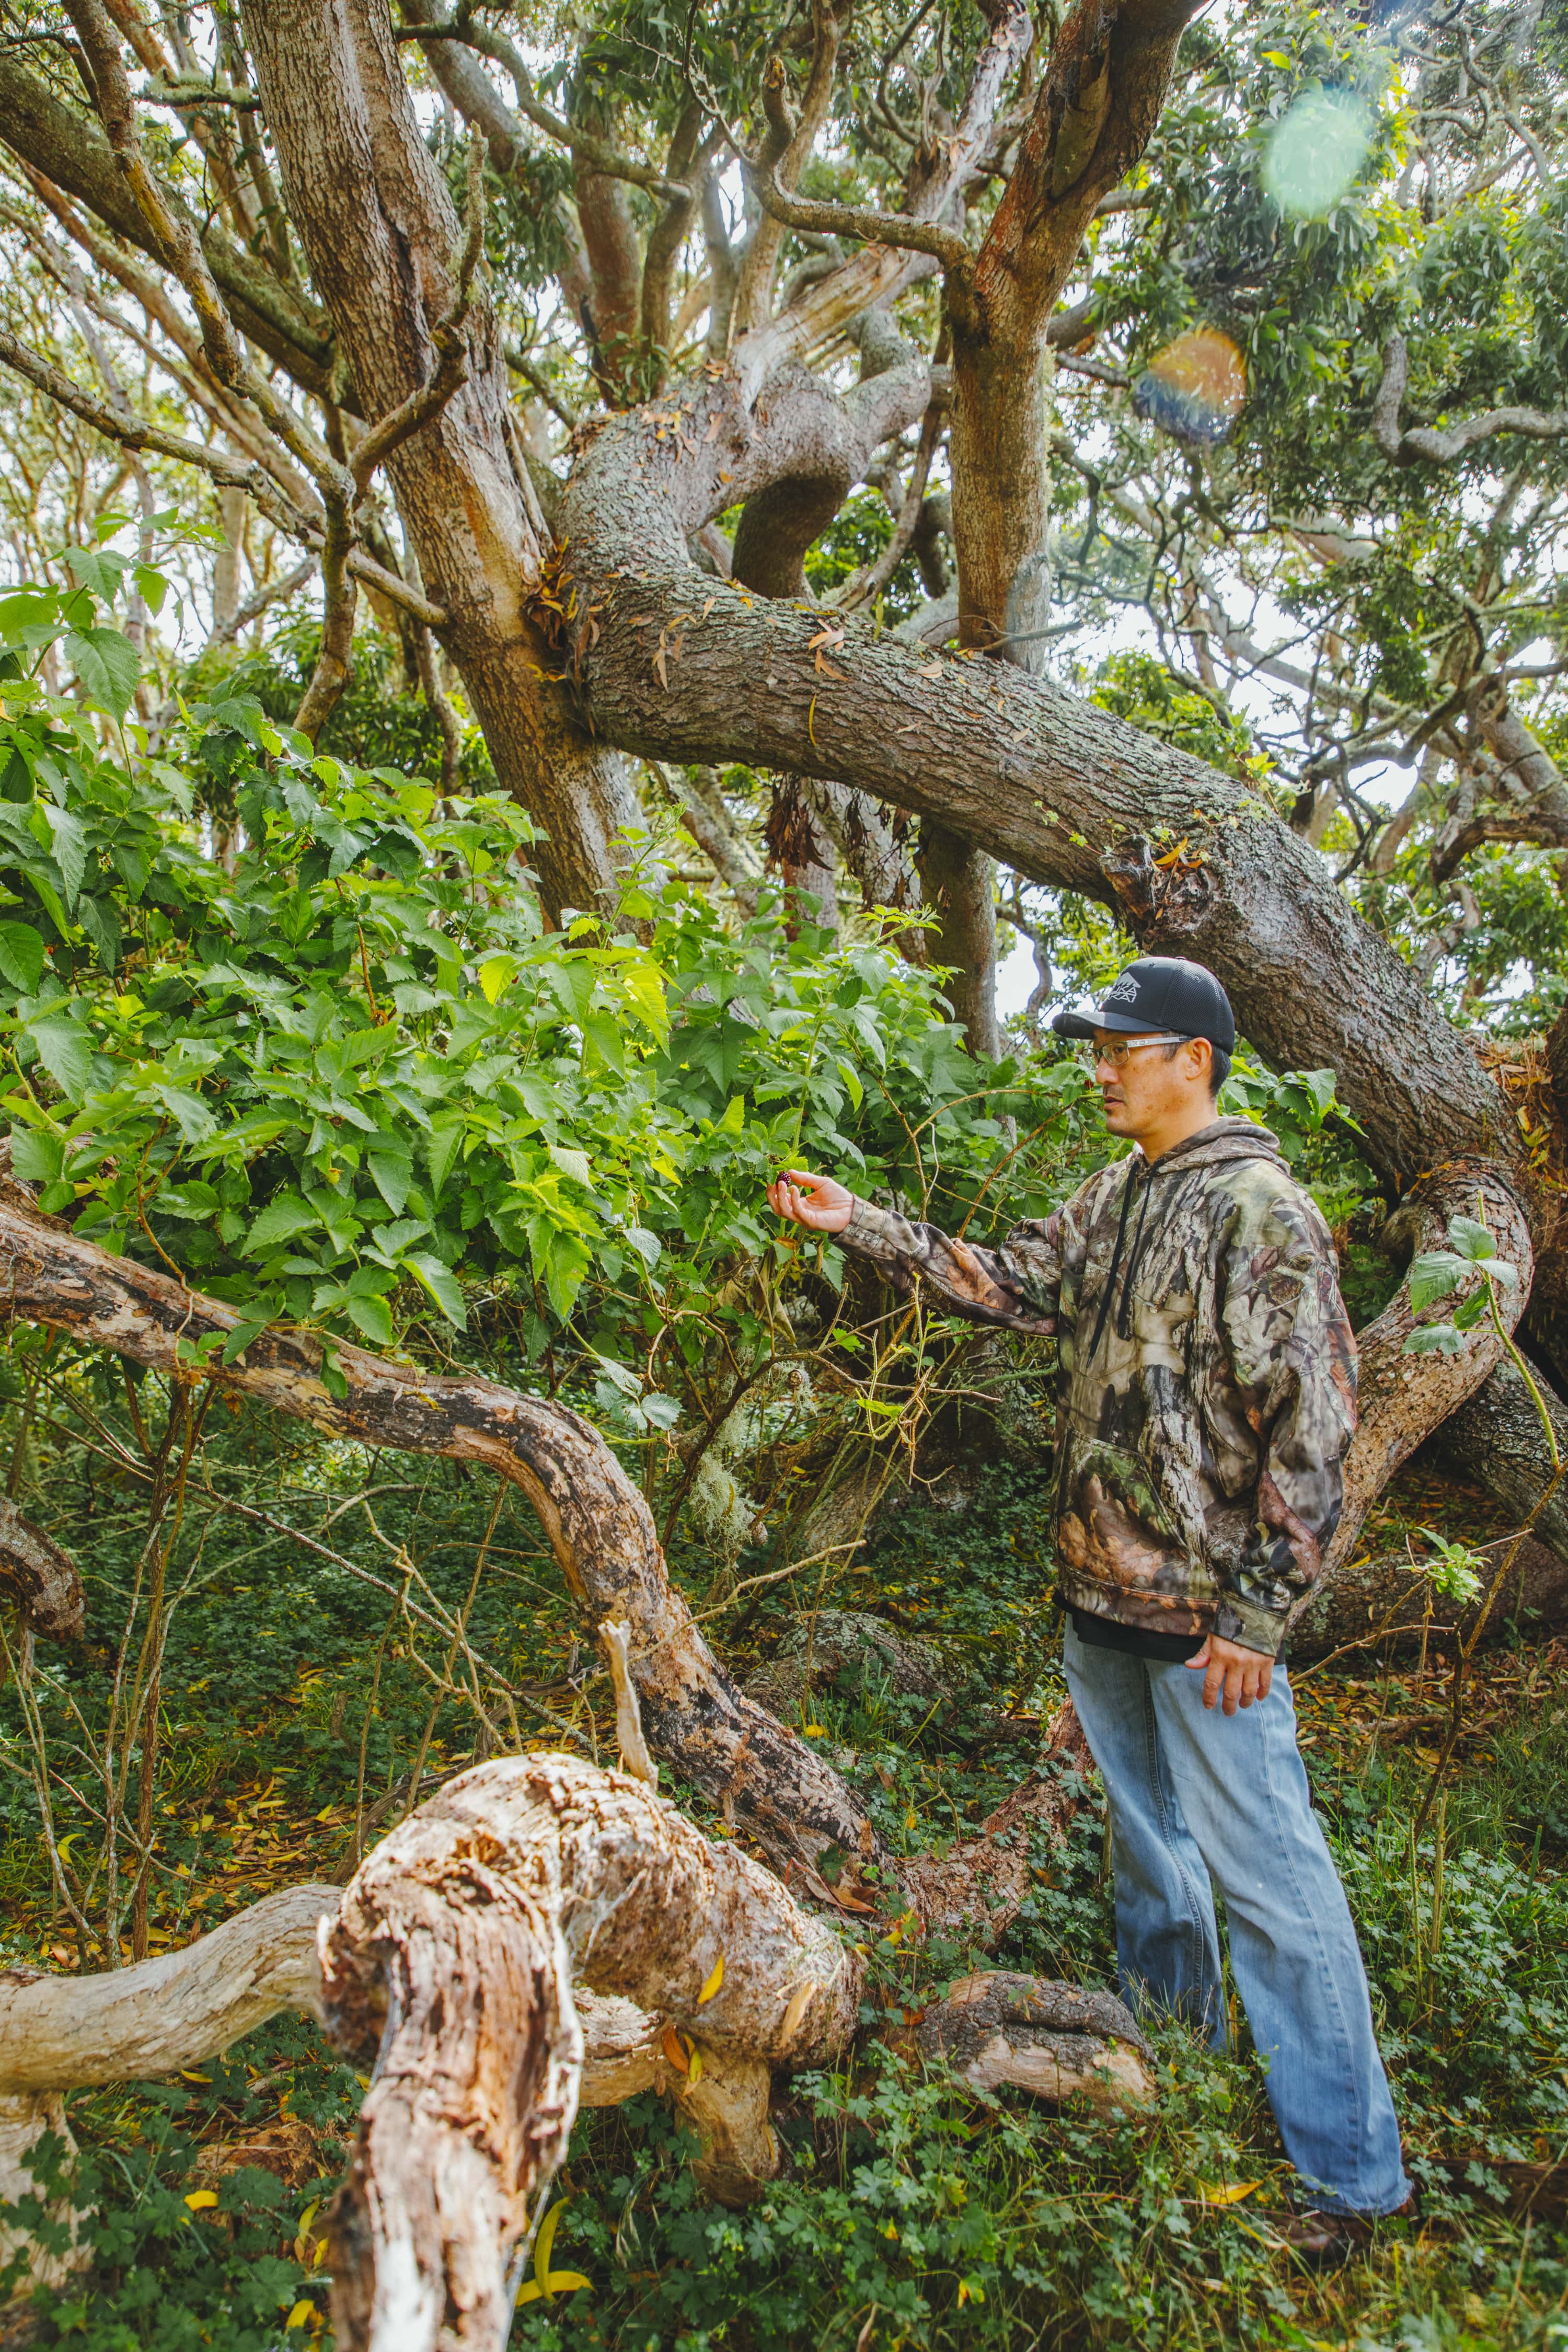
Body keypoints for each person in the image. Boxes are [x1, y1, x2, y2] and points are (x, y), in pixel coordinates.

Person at [767, 955, 1411, 2253]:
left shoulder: (1259, 1207)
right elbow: (1011, 1281)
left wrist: (1259, 1616)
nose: (1102, 1064)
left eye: (1128, 1045)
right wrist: (862, 1224)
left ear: (1198, 1060)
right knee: (1150, 1860)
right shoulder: (1119, 1193)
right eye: (1099, 1044)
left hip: (1207, 1631)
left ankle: (1352, 2186)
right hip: (1100, 1603)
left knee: (1275, 1888)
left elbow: (1317, 1432)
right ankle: (1173, 2077)